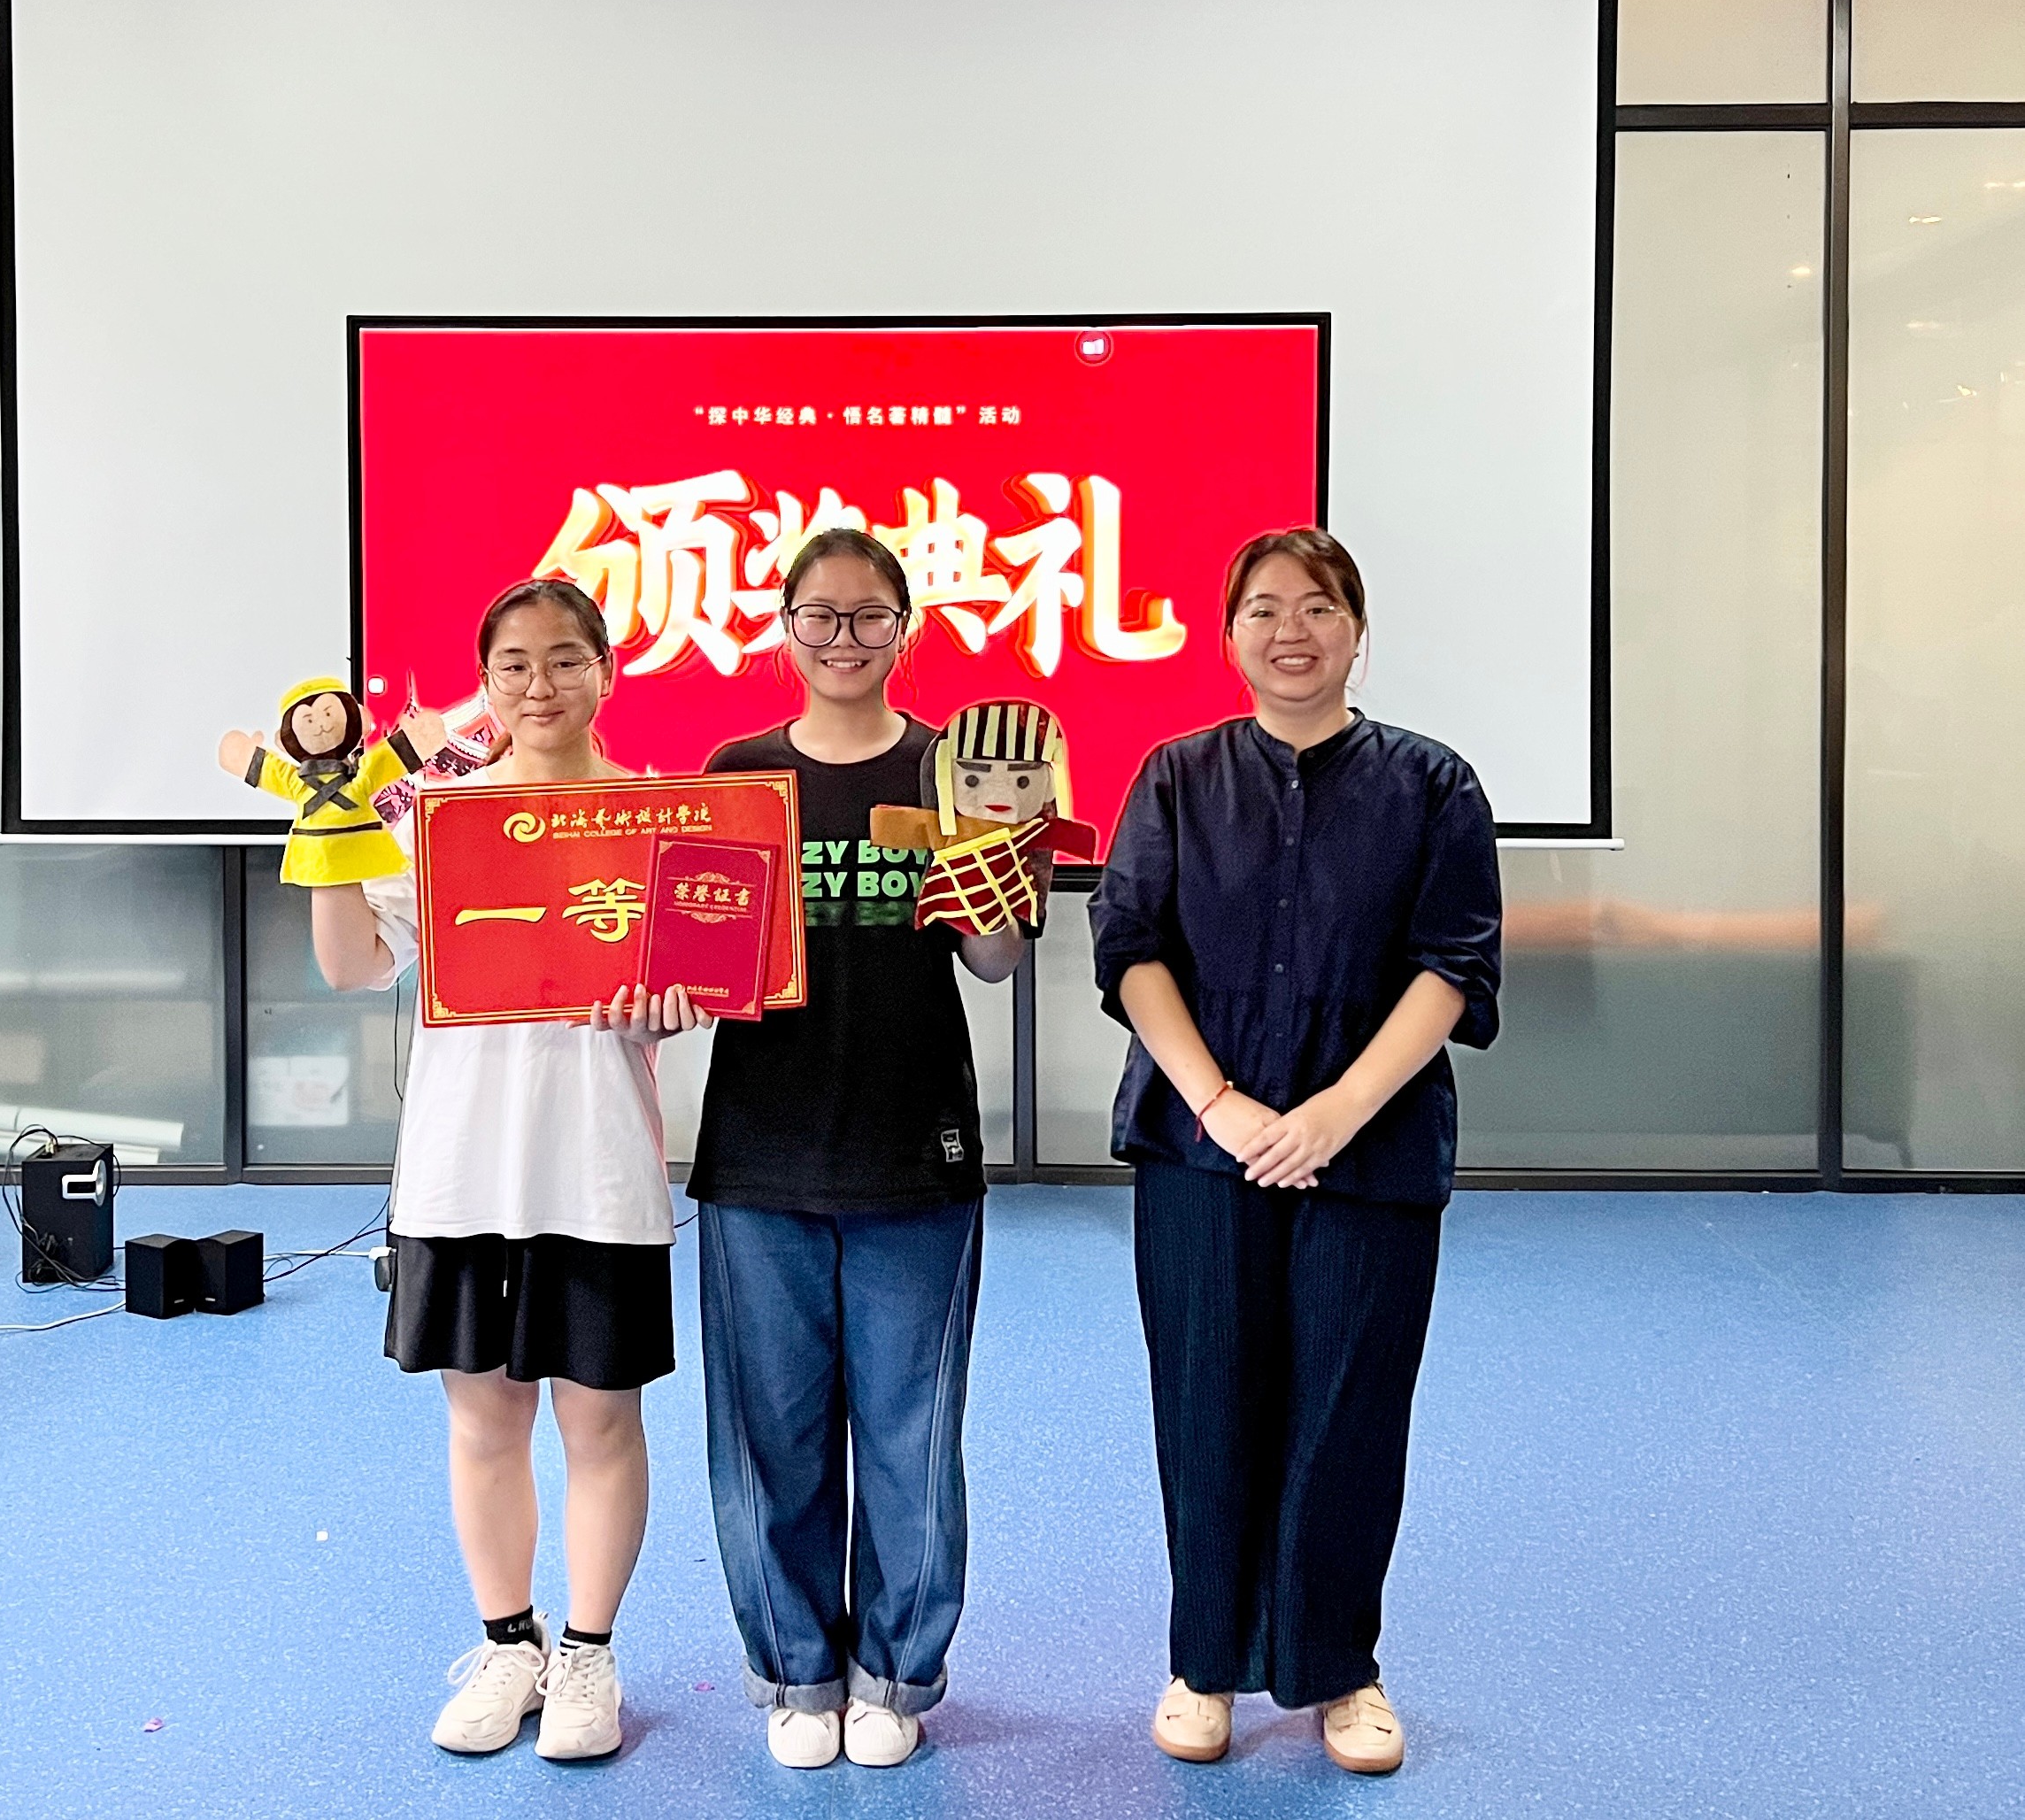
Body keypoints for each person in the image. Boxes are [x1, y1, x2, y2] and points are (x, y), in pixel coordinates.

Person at [1088, 528, 1501, 1777]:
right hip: (1199, 1145)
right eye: (1262, 609)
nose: (1291, 631)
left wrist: (1337, 1111)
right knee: (1204, 1398)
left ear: (1356, 630)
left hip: (1370, 1151)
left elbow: (1452, 966)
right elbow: (1130, 950)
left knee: (1347, 1406)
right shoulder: (1175, 776)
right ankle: (1203, 1661)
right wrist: (1217, 1103)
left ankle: (1339, 1669)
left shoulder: (1433, 784)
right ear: (1228, 637)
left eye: (1317, 607)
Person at [307, 578, 706, 1762]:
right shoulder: (436, 818)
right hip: (458, 1169)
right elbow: (352, 964)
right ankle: (506, 1644)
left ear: (607, 672)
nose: (541, 685)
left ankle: (588, 1653)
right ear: (485, 682)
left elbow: (698, 986)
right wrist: (325, 826)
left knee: (601, 1420)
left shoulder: (656, 817)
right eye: (515, 664)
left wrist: (677, 1001)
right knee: (483, 1420)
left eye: (567, 659)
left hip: (598, 1169)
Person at [689, 528, 1025, 1770]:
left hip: (913, 1149)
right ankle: (797, 1670)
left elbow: (994, 959)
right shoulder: (737, 774)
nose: (844, 638)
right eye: (820, 616)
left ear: (904, 628)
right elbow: (697, 962)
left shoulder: (954, 768)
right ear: (784, 627)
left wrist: (998, 861)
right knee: (768, 1437)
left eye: (868, 616)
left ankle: (895, 1672)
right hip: (758, 1155)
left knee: (909, 1433)